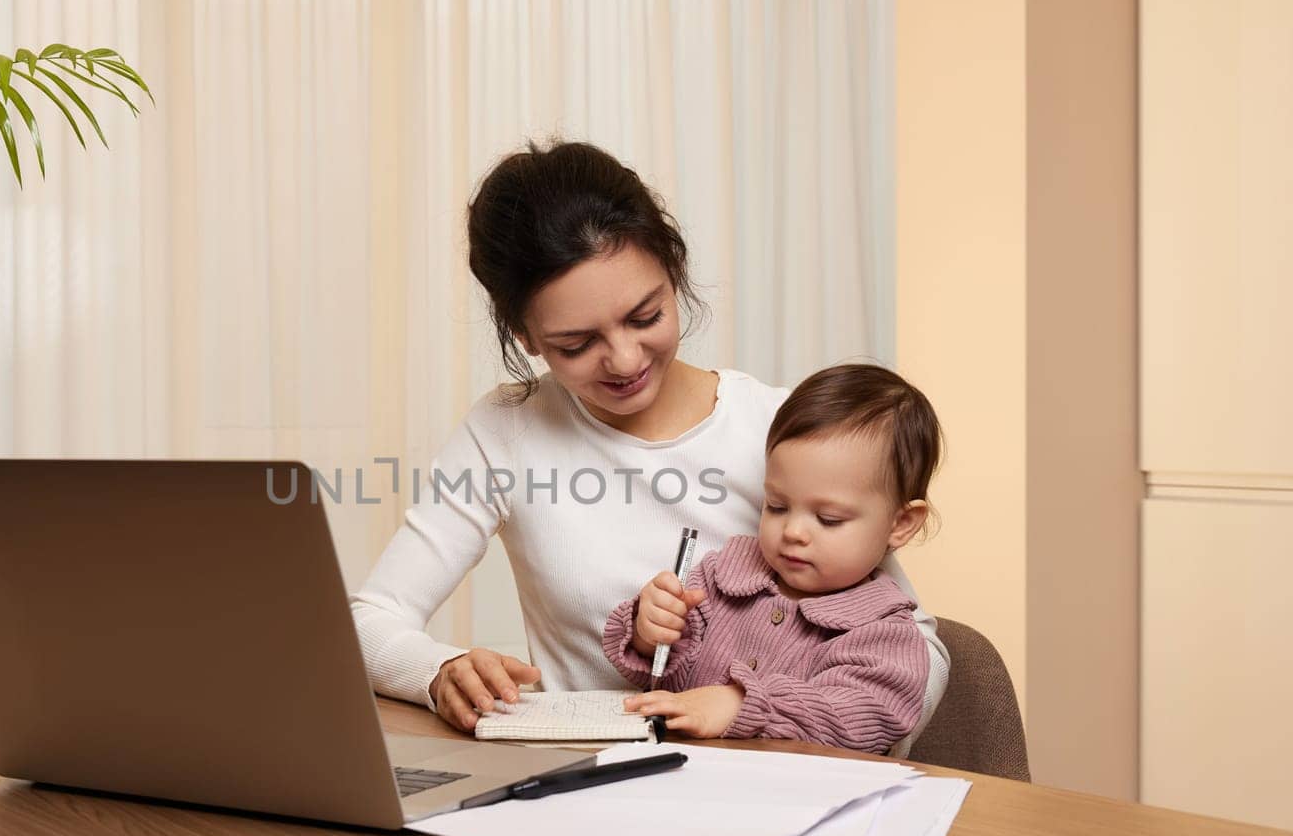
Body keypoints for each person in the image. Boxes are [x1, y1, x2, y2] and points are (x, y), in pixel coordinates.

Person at [350, 140, 949, 757]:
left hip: (779, 783)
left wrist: (767, 717)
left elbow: (918, 654)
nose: (626, 360)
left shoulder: (783, 431)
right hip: (590, 786)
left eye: (645, 316)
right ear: (526, 335)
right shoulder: (507, 433)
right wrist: (437, 673)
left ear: (674, 269)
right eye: (576, 344)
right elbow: (368, 623)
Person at [604, 364, 939, 754]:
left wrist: (740, 704)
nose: (793, 531)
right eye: (777, 506)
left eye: (828, 519)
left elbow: (857, 719)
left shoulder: (886, 632)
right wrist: (650, 634)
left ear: (901, 523)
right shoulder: (721, 575)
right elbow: (660, 672)